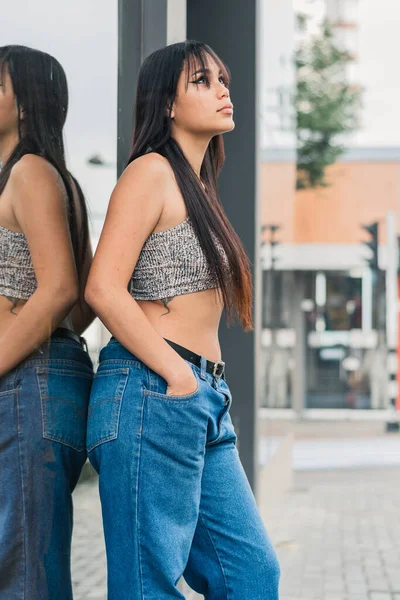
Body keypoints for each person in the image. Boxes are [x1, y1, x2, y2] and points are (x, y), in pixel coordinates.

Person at [85, 40, 280, 599]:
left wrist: (194, 385)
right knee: (147, 587)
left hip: (200, 400)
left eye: (223, 79)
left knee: (251, 575)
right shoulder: (150, 173)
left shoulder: (197, 187)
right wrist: (176, 374)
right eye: (202, 81)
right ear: (165, 103)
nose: (222, 89)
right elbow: (102, 286)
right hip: (153, 390)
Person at [0, 45, 95, 599]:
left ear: (27, 105)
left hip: (27, 386)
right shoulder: (56, 178)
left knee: (25, 574)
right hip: (35, 381)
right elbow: (80, 303)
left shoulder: (31, 173)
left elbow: (61, 289)